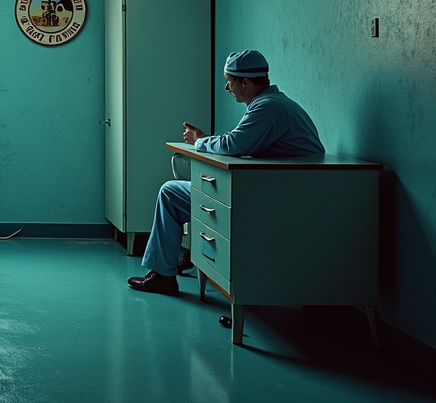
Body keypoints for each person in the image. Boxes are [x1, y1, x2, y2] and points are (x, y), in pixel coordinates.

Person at [128, 49, 325, 295]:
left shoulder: (268, 108)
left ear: (243, 81)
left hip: (277, 195)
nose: (226, 88)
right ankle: (186, 258)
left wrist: (200, 141)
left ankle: (164, 274)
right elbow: (238, 142)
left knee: (170, 193)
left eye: (229, 81)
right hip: (280, 188)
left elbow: (233, 145)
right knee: (179, 193)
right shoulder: (273, 104)